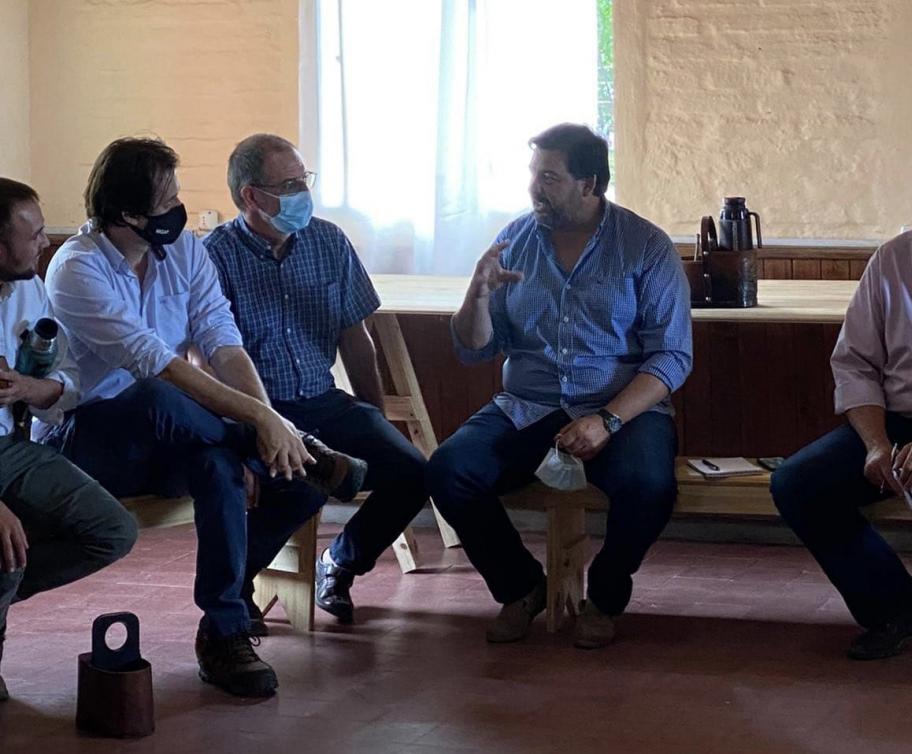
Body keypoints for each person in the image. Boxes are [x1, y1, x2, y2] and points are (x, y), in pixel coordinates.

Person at [39, 138, 365, 698]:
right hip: (90, 442)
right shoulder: (77, 268)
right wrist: (265, 427)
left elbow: (222, 341)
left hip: (175, 435)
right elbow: (156, 365)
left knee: (259, 478)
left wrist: (269, 420)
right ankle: (305, 453)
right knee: (154, 398)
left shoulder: (184, 254)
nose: (179, 207)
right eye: (166, 199)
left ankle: (224, 633)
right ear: (128, 214)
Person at [426, 123, 692, 648]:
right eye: (533, 174)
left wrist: (608, 419)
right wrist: (476, 294)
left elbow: (673, 356)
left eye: (549, 177)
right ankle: (522, 587)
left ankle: (606, 596)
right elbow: (475, 347)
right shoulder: (514, 242)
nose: (534, 187)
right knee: (449, 472)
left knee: (649, 488)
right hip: (528, 403)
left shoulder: (645, 246)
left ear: (589, 184)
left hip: (617, 405)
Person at [204, 134, 428, 624]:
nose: (303, 192)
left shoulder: (328, 242)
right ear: (252, 196)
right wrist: (234, 437)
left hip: (323, 400)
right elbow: (203, 361)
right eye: (289, 184)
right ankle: (236, 588)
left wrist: (376, 414)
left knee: (414, 472)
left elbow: (357, 338)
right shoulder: (213, 257)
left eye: (304, 179)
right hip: (258, 412)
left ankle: (340, 563)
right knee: (301, 488)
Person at [771, 131, 912, 660]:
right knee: (798, 482)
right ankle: (895, 605)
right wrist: (874, 443)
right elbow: (855, 363)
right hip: (896, 421)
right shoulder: (892, 262)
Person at [0, 177, 137, 701]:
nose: (45, 243)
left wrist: (39, 388)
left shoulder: (31, 289)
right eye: (32, 234)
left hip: (14, 447)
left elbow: (71, 380)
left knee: (112, 531)